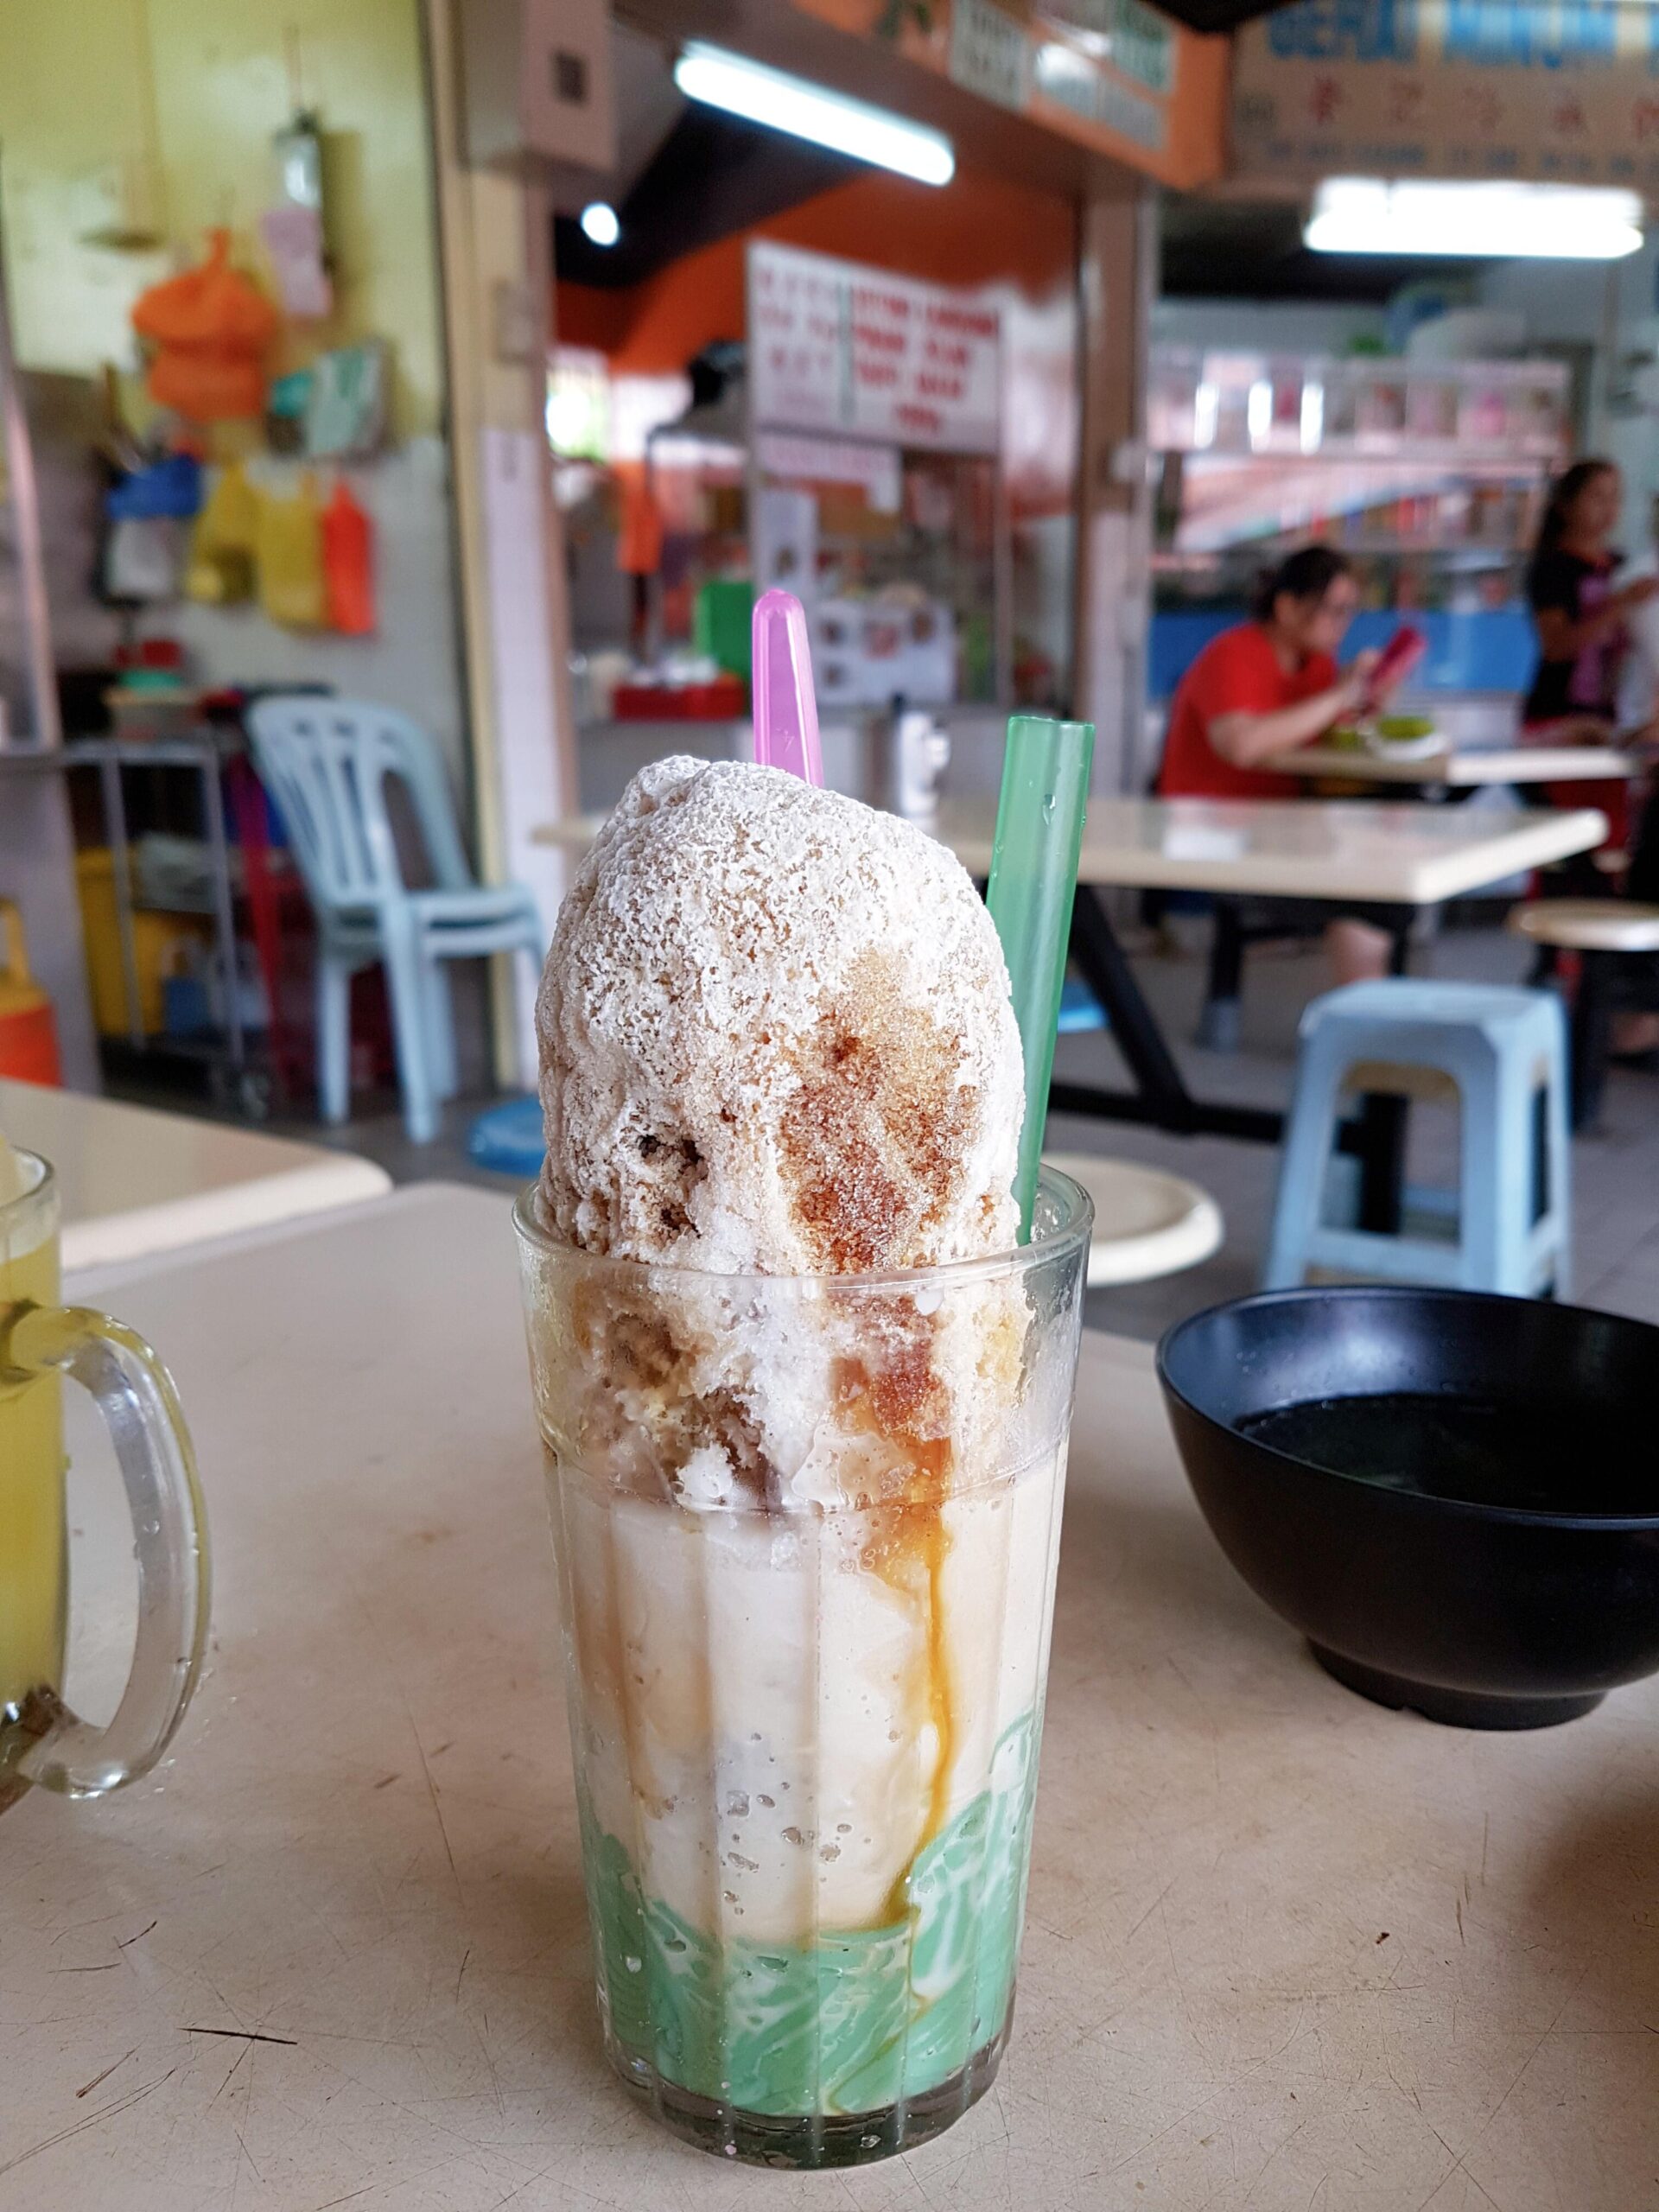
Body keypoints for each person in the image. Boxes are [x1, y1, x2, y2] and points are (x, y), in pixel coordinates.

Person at [1158, 543, 1402, 986]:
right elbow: (1240, 745)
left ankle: (1368, 1006)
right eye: (1333, 609)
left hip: (1282, 828)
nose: (1343, 623)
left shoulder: (1319, 665)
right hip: (1213, 833)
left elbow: (1327, 742)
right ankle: (1364, 1010)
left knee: (1384, 870)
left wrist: (1368, 701)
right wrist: (1339, 696)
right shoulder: (1233, 653)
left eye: (1350, 611)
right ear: (1287, 607)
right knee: (1366, 890)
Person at [1522, 458, 1659, 1058]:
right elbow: (1558, 646)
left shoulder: (1624, 566)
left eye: (1616, 497)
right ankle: (1560, 966)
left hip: (1612, 726)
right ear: (1567, 504)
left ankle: (1598, 982)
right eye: (1597, 496)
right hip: (1560, 721)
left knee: (1610, 848)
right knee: (1565, 847)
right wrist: (1618, 606)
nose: (1609, 509)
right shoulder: (1554, 569)